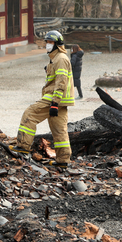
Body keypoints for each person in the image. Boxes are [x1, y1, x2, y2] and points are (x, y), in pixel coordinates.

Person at [9, 30, 75, 168]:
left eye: (50, 42)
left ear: (57, 44)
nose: (47, 45)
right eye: (47, 42)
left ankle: (23, 146)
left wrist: (54, 103)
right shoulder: (56, 58)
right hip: (61, 100)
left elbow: (61, 81)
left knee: (30, 114)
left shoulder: (60, 59)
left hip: (54, 98)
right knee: (59, 129)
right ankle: (63, 160)